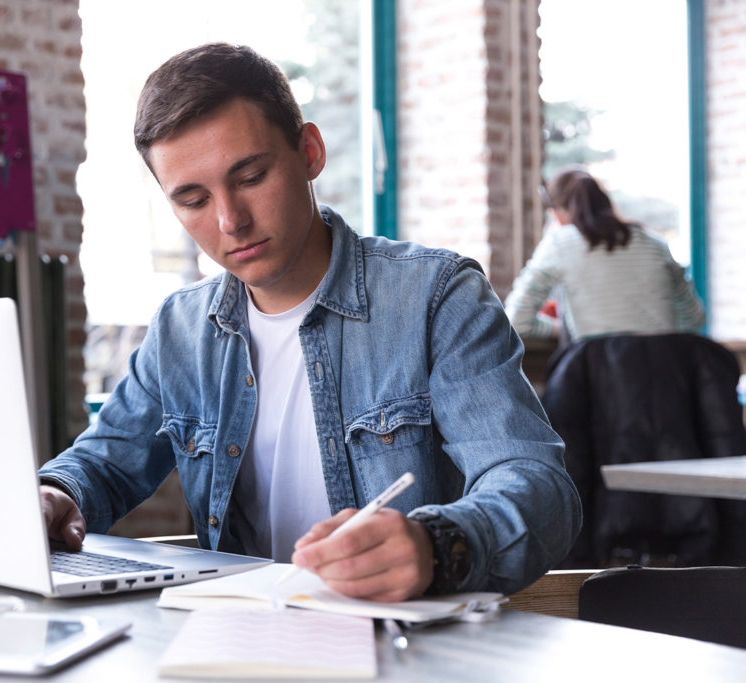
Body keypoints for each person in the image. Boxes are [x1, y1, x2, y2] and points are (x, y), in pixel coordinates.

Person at [39, 43, 580, 602]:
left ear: (310, 152)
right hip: (239, 643)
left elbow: (538, 489)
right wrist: (55, 493)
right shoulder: (182, 328)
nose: (231, 221)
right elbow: (104, 462)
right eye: (194, 200)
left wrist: (436, 545)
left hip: (402, 646)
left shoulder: (435, 297)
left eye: (250, 176)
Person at [504, 166, 705, 342]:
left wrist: (562, 329)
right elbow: (693, 320)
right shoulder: (654, 243)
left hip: (597, 374)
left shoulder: (560, 243)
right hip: (668, 373)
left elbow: (516, 321)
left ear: (556, 213)